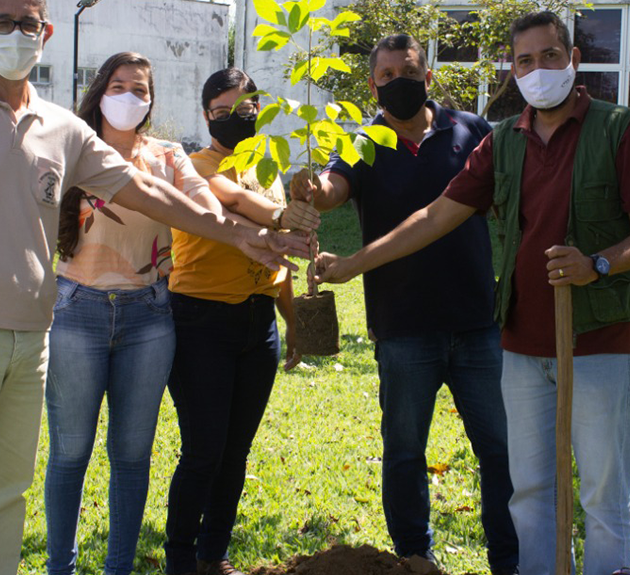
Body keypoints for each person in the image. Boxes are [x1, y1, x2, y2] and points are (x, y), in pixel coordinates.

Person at [0, 0, 305, 575]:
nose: (15, 34)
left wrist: (239, 232)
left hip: (31, 338)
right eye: (2, 23)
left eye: (28, 24)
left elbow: (144, 190)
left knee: (3, 500)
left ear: (46, 34)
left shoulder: (64, 129)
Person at [315, 11, 630, 575]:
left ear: (572, 60)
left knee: (601, 490)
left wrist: (596, 265)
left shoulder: (617, 128)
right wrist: (353, 260)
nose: (538, 69)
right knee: (527, 488)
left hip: (592, 335)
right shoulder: (504, 140)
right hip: (520, 340)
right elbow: (434, 217)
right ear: (513, 69)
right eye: (525, 60)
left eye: (550, 56)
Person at [290, 33, 518, 575]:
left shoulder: (471, 131)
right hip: (403, 328)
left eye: (408, 71)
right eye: (387, 75)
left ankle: (509, 560)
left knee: (501, 450)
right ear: (373, 86)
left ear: (429, 76)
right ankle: (415, 560)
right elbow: (333, 188)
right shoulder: (362, 142)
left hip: (477, 323)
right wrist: (310, 186)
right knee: (405, 452)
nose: (399, 83)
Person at [44, 52, 223, 575]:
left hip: (149, 318)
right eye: (118, 85)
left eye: (140, 89)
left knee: (130, 456)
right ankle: (61, 567)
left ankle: (117, 568)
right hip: (77, 310)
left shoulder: (168, 156)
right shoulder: (73, 150)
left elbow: (204, 205)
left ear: (151, 99)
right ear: (100, 91)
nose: (129, 97)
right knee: (70, 452)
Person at [163, 67, 319, 575]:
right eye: (222, 112)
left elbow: (282, 261)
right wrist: (279, 217)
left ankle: (214, 556)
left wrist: (292, 322)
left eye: (246, 109)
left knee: (235, 452)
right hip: (201, 321)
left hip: (258, 327)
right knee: (204, 449)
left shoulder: (266, 168)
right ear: (206, 115)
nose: (235, 119)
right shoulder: (193, 166)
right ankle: (181, 559)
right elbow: (232, 201)